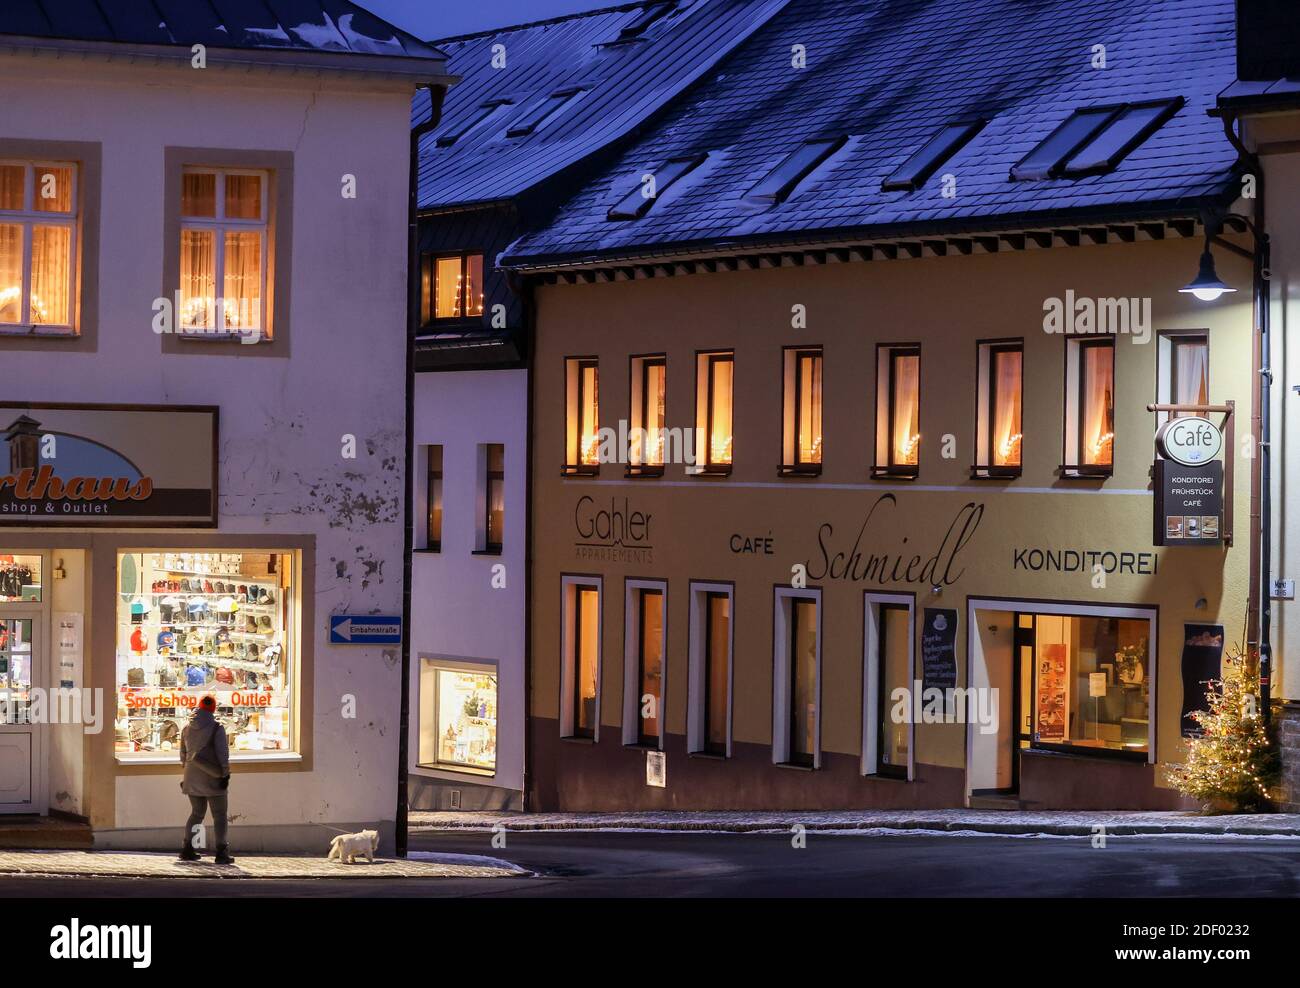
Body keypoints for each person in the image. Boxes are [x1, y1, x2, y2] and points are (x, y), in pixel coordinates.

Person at [178, 695, 234, 864]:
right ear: (213, 709)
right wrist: (225, 773)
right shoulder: (217, 728)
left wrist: (187, 769)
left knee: (196, 814)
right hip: (212, 778)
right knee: (219, 815)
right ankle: (221, 851)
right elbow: (223, 754)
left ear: (199, 706)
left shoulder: (187, 727)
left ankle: (188, 848)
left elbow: (183, 754)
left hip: (191, 777)